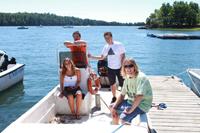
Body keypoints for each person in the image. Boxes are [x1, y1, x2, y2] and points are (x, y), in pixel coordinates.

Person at [110, 58, 153, 125]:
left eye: (130, 66)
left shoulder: (141, 78)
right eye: (126, 66)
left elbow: (139, 96)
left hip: (142, 104)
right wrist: (114, 107)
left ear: (134, 67)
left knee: (123, 118)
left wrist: (131, 110)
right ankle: (116, 125)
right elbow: (122, 95)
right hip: (131, 101)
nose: (128, 68)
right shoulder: (127, 77)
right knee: (112, 107)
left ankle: (126, 125)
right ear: (123, 68)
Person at [88, 32, 126, 103]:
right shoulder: (106, 47)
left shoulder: (119, 45)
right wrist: (92, 57)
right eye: (105, 38)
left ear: (111, 37)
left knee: (122, 84)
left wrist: (123, 66)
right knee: (112, 84)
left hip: (120, 68)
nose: (107, 40)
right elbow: (102, 57)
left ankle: (123, 98)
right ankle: (114, 97)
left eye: (108, 38)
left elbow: (123, 55)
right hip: (110, 68)